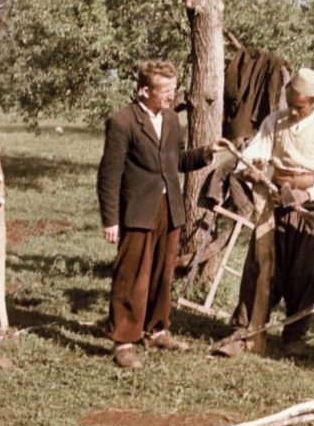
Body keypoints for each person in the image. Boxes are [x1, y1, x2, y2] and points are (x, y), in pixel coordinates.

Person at [97, 59, 229, 369]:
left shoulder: (170, 119)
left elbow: (177, 161)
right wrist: (111, 219)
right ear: (144, 91)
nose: (171, 96)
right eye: (164, 90)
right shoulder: (121, 122)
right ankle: (124, 340)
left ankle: (156, 330)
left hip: (170, 209)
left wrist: (206, 151)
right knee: (131, 275)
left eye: (173, 89)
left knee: (162, 272)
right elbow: (109, 175)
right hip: (137, 210)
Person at [227, 67, 314, 350]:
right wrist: (252, 170)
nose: (292, 111)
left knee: (303, 273)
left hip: (308, 214)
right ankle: (245, 329)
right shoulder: (274, 121)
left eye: (299, 107)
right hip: (272, 209)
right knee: (259, 267)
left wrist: (308, 192)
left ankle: (294, 334)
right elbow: (254, 155)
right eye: (289, 104)